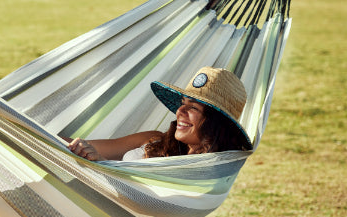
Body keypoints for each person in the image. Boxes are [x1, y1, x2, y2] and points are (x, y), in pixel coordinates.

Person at [67, 66, 252, 161]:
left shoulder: (206, 167)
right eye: (183, 103)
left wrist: (100, 162)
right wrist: (50, 140)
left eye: (193, 107)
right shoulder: (155, 139)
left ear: (215, 122)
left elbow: (144, 197)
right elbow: (79, 146)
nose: (180, 111)